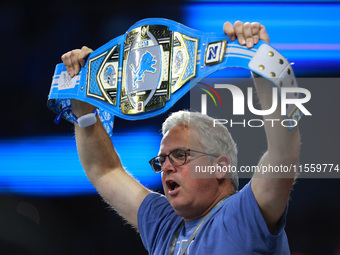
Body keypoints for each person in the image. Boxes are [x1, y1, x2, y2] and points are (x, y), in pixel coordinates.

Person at [61, 21, 300, 254]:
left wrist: (264, 63)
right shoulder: (164, 223)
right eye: (161, 160)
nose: (166, 167)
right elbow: (104, 170)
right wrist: (83, 105)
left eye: (179, 155)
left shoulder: (244, 215)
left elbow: (283, 154)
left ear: (219, 168)